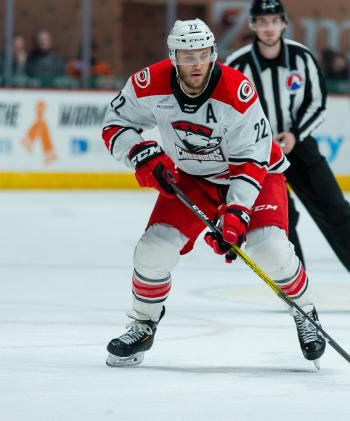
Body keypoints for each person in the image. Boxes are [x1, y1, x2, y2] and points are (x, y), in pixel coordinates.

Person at [102, 19, 325, 367]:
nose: (196, 64)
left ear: (213, 54)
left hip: (254, 174)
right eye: (187, 56)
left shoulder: (236, 91)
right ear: (174, 56)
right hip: (192, 177)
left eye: (203, 55)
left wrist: (236, 214)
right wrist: (140, 153)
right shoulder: (148, 83)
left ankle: (306, 314)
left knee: (268, 246)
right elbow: (115, 124)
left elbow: (252, 160)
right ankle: (143, 324)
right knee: (152, 249)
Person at [226, 0, 350, 306]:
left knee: (336, 210)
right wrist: (261, 140)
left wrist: (295, 135)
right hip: (259, 152)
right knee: (282, 219)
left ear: (283, 23)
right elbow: (229, 111)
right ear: (252, 26)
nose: (268, 27)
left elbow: (317, 102)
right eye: (262, 22)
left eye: (273, 21)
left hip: (299, 146)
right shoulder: (238, 65)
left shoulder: (302, 58)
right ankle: (293, 283)